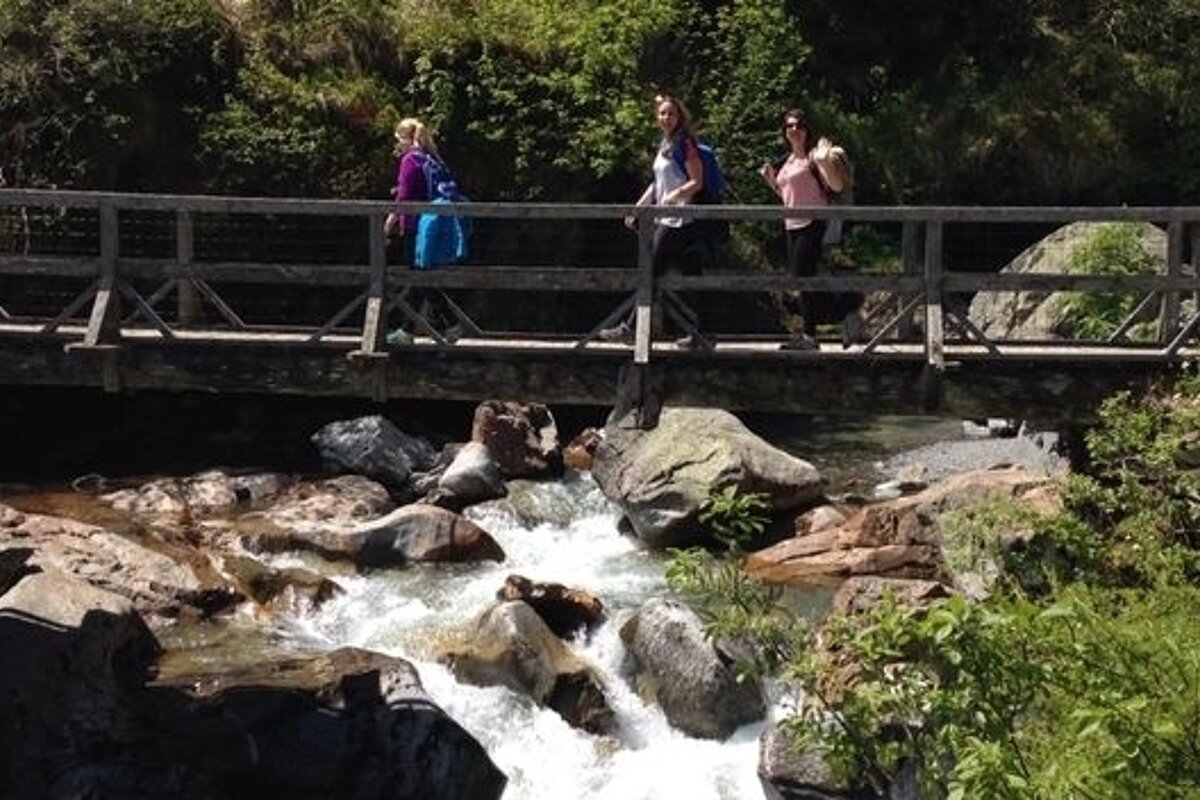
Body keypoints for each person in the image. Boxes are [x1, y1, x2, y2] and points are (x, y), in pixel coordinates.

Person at [599, 94, 714, 350]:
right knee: (692, 277)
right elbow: (657, 184)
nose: (666, 118)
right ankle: (702, 335)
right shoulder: (665, 144)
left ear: (679, 117)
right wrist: (639, 209)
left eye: (671, 113)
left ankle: (630, 327)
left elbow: (697, 181)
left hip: (679, 220)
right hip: (669, 218)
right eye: (662, 113)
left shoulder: (686, 144)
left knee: (650, 271)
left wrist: (675, 197)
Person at [760, 109, 863, 350]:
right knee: (803, 280)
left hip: (813, 222)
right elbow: (788, 196)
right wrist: (771, 182)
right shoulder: (788, 161)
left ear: (807, 129)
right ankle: (846, 313)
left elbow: (836, 186)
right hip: (792, 224)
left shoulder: (814, 156)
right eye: (789, 126)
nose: (794, 129)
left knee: (804, 280)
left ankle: (812, 335)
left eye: (799, 125)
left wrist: (823, 160)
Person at [383, 117, 460, 345]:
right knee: (421, 278)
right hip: (433, 225)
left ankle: (450, 325)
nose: (398, 145)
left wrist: (389, 222)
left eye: (399, 140)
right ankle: (411, 331)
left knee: (419, 278)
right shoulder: (431, 159)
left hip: (415, 226)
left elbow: (404, 197)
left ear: (406, 139)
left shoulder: (409, 160)